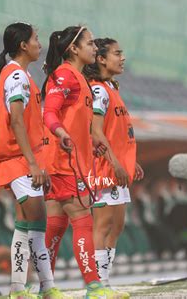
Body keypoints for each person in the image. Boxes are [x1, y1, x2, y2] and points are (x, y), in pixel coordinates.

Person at [0, 22, 67, 299]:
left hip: (22, 159)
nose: (39, 43)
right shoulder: (17, 77)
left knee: (25, 225)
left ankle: (19, 290)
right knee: (37, 222)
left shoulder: (19, 75)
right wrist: (33, 163)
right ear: (23, 45)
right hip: (20, 160)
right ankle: (46, 287)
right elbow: (17, 121)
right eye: (35, 39)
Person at [42, 25, 123, 299]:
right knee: (83, 221)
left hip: (70, 159)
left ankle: (45, 286)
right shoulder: (65, 76)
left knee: (56, 224)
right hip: (64, 161)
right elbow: (50, 112)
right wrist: (60, 132)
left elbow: (78, 122)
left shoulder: (79, 78)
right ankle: (94, 286)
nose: (94, 48)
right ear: (73, 49)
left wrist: (92, 141)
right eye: (89, 43)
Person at [83, 38, 143, 291]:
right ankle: (97, 285)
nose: (123, 58)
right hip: (104, 167)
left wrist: (131, 161)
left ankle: (105, 280)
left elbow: (116, 131)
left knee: (116, 226)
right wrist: (116, 162)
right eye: (118, 53)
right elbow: (96, 132)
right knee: (103, 225)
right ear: (101, 59)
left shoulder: (110, 88)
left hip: (118, 167)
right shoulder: (97, 90)